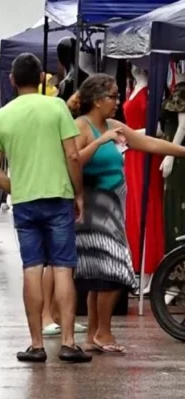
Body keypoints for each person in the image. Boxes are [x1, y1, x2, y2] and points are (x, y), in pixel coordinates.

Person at [0, 53, 91, 363]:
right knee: (62, 268)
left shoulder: (3, 115)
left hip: (25, 202)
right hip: (59, 198)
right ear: (42, 78)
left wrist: (16, 187)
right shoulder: (56, 106)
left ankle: (36, 344)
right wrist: (78, 193)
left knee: (32, 268)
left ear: (12, 80)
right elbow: (72, 156)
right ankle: (69, 342)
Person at [68, 74, 185, 354]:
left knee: (102, 273)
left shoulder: (114, 126)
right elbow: (72, 160)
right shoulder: (81, 127)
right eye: (113, 96)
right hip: (94, 207)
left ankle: (96, 334)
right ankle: (104, 332)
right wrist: (100, 141)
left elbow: (150, 144)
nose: (118, 102)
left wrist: (181, 151)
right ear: (97, 100)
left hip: (114, 205)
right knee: (115, 272)